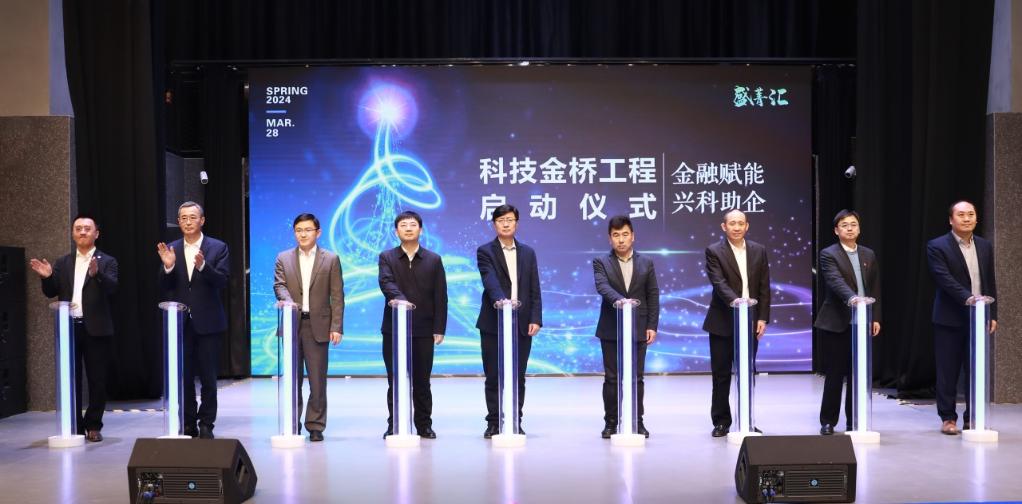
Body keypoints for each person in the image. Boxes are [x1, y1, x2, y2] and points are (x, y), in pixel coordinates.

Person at [29, 215, 118, 442]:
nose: (82, 232)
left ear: (96, 233)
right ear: (72, 233)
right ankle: (75, 426)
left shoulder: (107, 261)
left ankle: (94, 425)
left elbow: (112, 289)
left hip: (96, 329)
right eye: (78, 228)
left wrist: (97, 275)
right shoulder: (63, 262)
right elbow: (51, 291)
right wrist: (48, 277)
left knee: (97, 380)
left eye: (87, 228)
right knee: (72, 379)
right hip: (69, 327)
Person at [157, 201, 229, 439]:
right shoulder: (171, 248)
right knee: (184, 377)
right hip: (179, 324)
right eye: (184, 218)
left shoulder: (218, 247)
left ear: (202, 220)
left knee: (208, 377)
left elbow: (223, 281)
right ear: (179, 222)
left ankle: (206, 423)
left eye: (192, 217)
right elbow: (163, 286)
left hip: (208, 322)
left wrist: (204, 267)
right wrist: (168, 267)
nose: (188, 222)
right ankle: (188, 422)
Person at [926, 200, 997, 435]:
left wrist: (993, 312)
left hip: (979, 317)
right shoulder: (937, 246)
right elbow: (943, 278)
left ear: (976, 218)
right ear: (951, 220)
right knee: (948, 371)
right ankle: (948, 418)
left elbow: (989, 281)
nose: (967, 219)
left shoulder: (985, 246)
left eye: (971, 214)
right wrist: (969, 298)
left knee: (975, 369)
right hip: (949, 318)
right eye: (961, 215)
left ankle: (972, 418)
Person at [273, 213, 344, 442]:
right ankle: (292, 423)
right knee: (292, 379)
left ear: (318, 232)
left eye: (307, 230)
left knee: (317, 380)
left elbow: (337, 295)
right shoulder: (283, 258)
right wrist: (288, 303)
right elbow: (279, 285)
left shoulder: (330, 259)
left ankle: (315, 425)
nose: (303, 234)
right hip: (292, 323)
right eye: (298, 230)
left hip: (319, 326)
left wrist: (336, 326)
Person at [378, 211, 447, 439]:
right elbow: (386, 283)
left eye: (413, 225)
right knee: (395, 380)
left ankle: (424, 424)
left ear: (421, 230)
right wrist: (402, 301)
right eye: (403, 225)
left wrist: (439, 328)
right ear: (396, 231)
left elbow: (440, 296)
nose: (408, 228)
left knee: (422, 382)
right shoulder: (387, 257)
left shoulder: (433, 259)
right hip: (393, 330)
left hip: (423, 330)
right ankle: (395, 424)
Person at [702, 209, 771, 438]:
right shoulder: (714, 251)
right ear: (724, 227)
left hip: (750, 323)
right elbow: (718, 283)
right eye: (732, 223)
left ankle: (747, 421)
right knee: (721, 374)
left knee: (747, 373)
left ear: (747, 226)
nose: (737, 227)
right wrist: (738, 303)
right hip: (722, 322)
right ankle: (722, 422)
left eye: (741, 223)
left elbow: (764, 286)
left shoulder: (759, 250)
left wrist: (762, 317)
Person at [476, 204, 542, 438]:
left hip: (521, 323)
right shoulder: (485, 251)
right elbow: (489, 280)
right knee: (494, 375)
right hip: (493, 322)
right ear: (494, 224)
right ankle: (494, 422)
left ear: (517, 223)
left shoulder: (528, 253)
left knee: (517, 376)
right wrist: (501, 302)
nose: (506, 224)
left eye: (510, 220)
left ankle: (515, 419)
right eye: (501, 220)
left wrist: (535, 317)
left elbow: (534, 287)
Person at [814, 210, 881, 435]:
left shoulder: (868, 254)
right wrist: (853, 299)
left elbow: (875, 288)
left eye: (853, 224)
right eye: (844, 225)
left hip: (862, 322)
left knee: (858, 374)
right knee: (835, 374)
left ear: (859, 229)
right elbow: (835, 281)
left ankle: (854, 420)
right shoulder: (828, 254)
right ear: (836, 230)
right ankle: (828, 421)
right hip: (837, 322)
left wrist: (875, 316)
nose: (850, 228)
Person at [593, 215, 659, 439]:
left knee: (636, 378)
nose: (621, 240)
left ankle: (637, 421)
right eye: (616, 235)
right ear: (610, 238)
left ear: (633, 236)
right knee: (612, 378)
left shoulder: (646, 262)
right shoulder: (601, 261)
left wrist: (652, 325)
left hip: (639, 327)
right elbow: (602, 286)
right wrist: (623, 302)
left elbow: (652, 295)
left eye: (625, 234)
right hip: (611, 327)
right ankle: (611, 422)